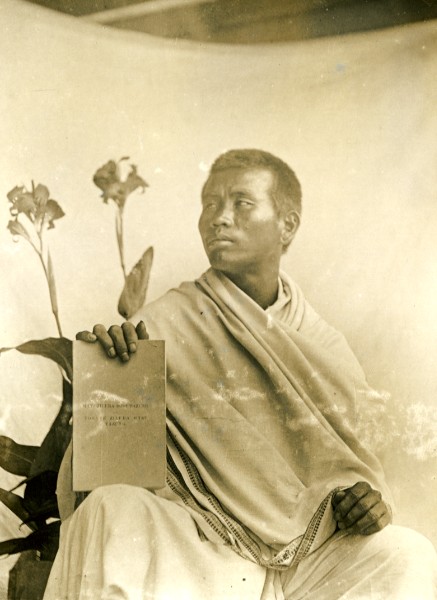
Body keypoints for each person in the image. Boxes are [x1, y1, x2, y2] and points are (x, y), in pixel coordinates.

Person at [44, 149, 437, 599]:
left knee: (407, 554)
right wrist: (110, 379)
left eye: (241, 203)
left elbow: (356, 467)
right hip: (200, 549)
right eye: (210, 204)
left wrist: (366, 501)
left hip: (306, 562)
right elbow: (107, 474)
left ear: (287, 225)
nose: (219, 218)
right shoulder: (163, 322)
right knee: (111, 510)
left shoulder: (323, 346)